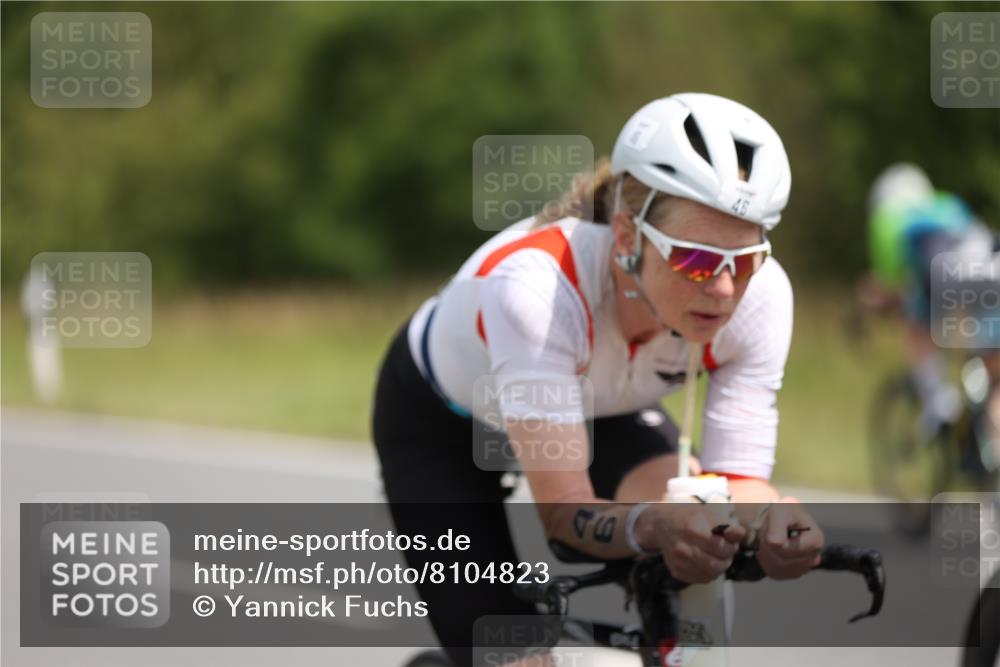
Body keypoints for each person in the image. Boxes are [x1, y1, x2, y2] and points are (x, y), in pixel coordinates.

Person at [372, 93, 824, 666]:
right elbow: (565, 516)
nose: (725, 289)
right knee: (514, 655)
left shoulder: (761, 298)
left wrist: (773, 517)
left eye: (745, 259)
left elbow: (737, 485)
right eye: (695, 260)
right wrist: (658, 527)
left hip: (599, 408)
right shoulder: (540, 291)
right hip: (442, 424)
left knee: (703, 545)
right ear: (628, 237)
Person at [859, 163, 1000, 470]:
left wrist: (868, 302)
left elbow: (891, 284)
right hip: (993, 266)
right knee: (993, 376)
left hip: (948, 275)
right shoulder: (947, 204)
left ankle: (939, 405)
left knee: (915, 320)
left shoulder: (888, 219)